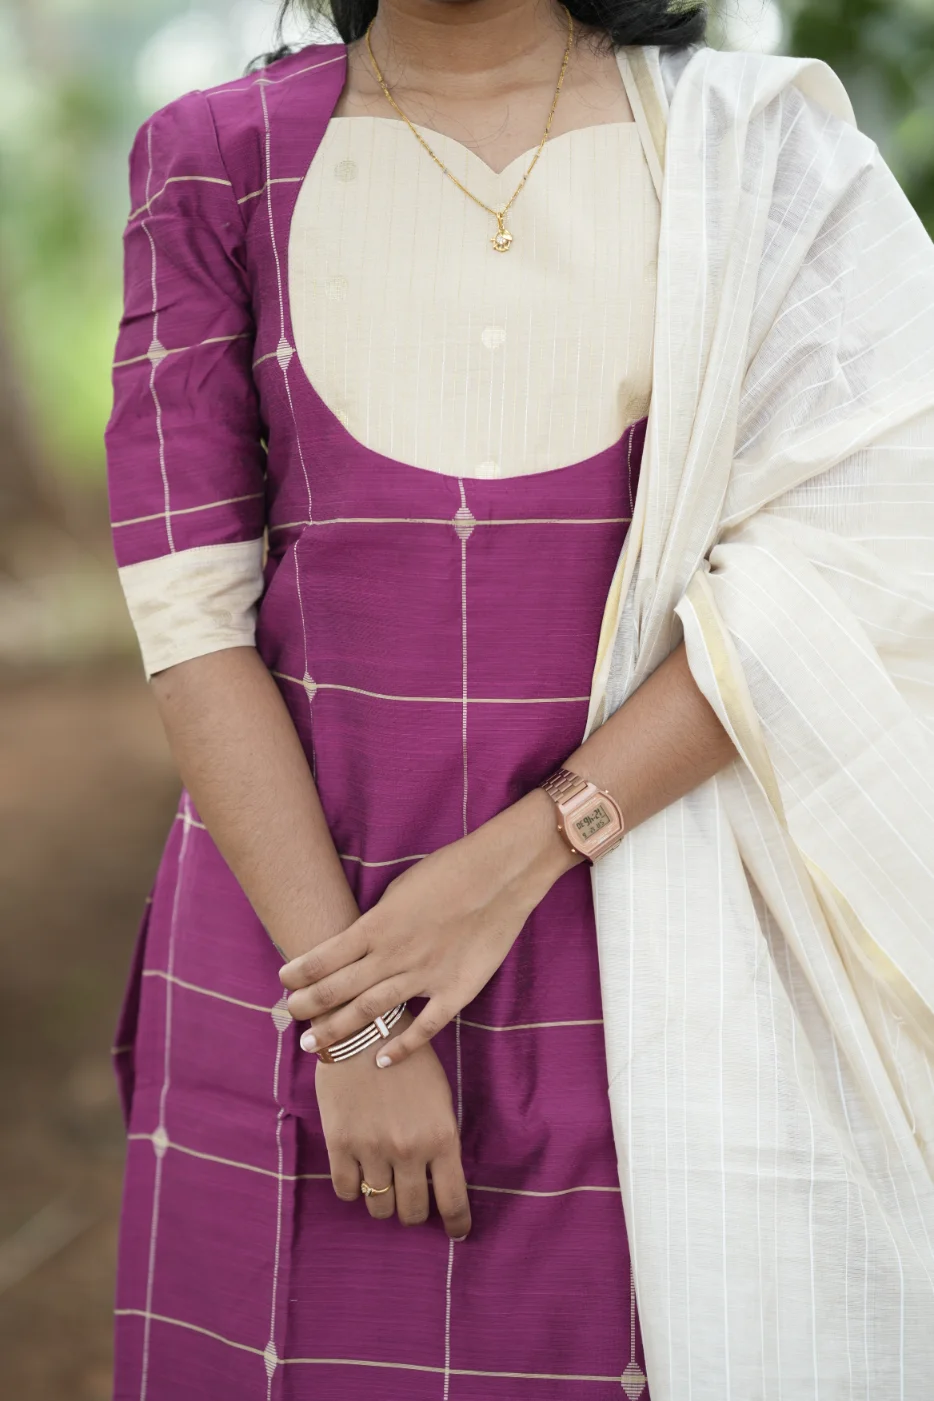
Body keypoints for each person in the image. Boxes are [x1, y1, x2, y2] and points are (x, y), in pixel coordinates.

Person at [104, 1, 934, 1398]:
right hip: (296, 948)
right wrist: (357, 1020)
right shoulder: (214, 159)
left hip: (669, 935)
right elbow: (190, 622)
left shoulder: (760, 153)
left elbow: (862, 559)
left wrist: (529, 851)